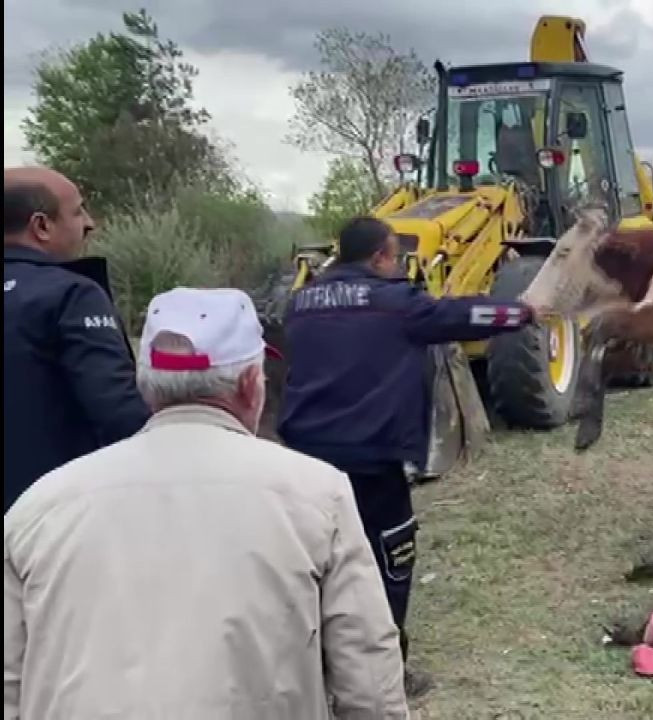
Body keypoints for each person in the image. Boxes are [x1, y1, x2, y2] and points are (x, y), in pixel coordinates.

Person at [3, 287, 409, 719]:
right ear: (253, 385)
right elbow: (368, 682)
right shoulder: (317, 494)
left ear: (146, 388)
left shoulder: (37, 508)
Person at [277, 216, 539, 695]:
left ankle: (312, 669)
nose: (396, 264)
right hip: (371, 458)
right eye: (394, 255)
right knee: (386, 566)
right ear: (379, 256)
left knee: (313, 563)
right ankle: (385, 673)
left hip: (304, 460)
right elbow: (466, 315)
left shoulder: (300, 302)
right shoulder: (397, 303)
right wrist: (524, 313)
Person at [3, 166, 150, 511]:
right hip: (44, 518)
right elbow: (118, 413)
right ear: (41, 226)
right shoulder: (70, 295)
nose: (89, 222)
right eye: (78, 209)